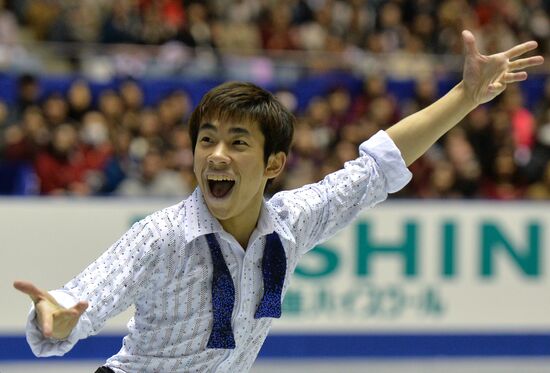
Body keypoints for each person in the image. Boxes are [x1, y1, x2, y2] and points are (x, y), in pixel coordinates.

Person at [13, 30, 543, 372]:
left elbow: (377, 167)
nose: (216, 156)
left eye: (238, 143)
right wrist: (53, 318)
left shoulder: (292, 222)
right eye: (206, 140)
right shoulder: (163, 235)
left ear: (273, 165)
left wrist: (465, 97)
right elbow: (81, 299)